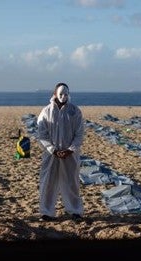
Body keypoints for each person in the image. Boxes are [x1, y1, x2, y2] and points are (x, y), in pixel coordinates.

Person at [36, 82, 85, 221]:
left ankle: (75, 211)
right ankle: (46, 212)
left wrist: (71, 150)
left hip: (70, 155)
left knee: (72, 182)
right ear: (55, 94)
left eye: (66, 94)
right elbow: (42, 134)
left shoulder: (75, 111)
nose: (63, 97)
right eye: (61, 94)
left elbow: (79, 133)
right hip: (51, 155)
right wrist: (52, 150)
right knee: (48, 183)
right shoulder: (46, 112)